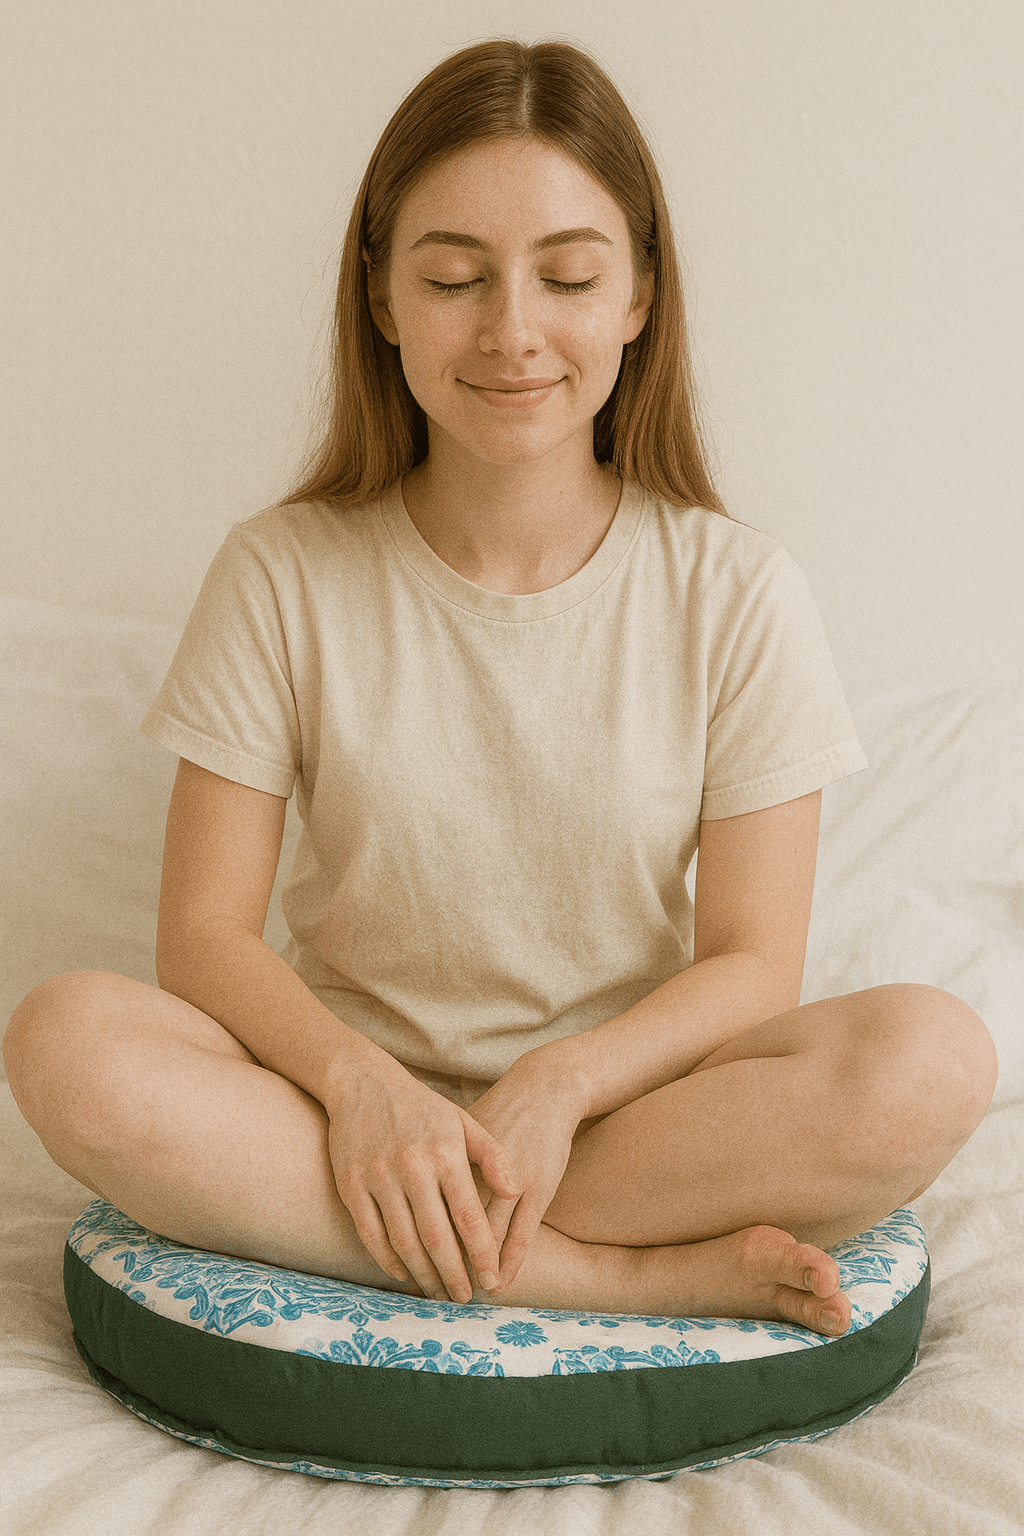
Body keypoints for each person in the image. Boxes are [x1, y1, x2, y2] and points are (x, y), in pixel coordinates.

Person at [4, 39, 997, 1337]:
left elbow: (755, 965)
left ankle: (453, 1223)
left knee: (935, 1058)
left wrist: (560, 1083)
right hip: (331, 1119)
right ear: (382, 298)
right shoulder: (281, 570)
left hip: (616, 1122)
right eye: (456, 278)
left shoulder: (733, 588)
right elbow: (202, 937)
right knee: (66, 1036)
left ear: (639, 295)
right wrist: (363, 1092)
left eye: (569, 276)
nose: (513, 332)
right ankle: (610, 1276)